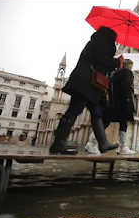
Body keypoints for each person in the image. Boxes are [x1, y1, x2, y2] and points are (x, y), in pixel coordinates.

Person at [49, 26, 124, 155]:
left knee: (97, 112)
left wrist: (115, 64)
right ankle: (58, 143)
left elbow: (102, 65)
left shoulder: (97, 42)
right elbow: (103, 59)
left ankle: (103, 143)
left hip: (90, 83)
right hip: (85, 82)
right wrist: (117, 61)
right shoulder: (100, 42)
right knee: (75, 109)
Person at [102, 59, 136, 154]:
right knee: (123, 123)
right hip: (123, 102)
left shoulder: (114, 73)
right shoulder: (127, 72)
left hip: (114, 102)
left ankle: (91, 142)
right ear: (129, 66)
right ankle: (123, 147)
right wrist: (129, 101)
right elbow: (126, 87)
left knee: (106, 122)